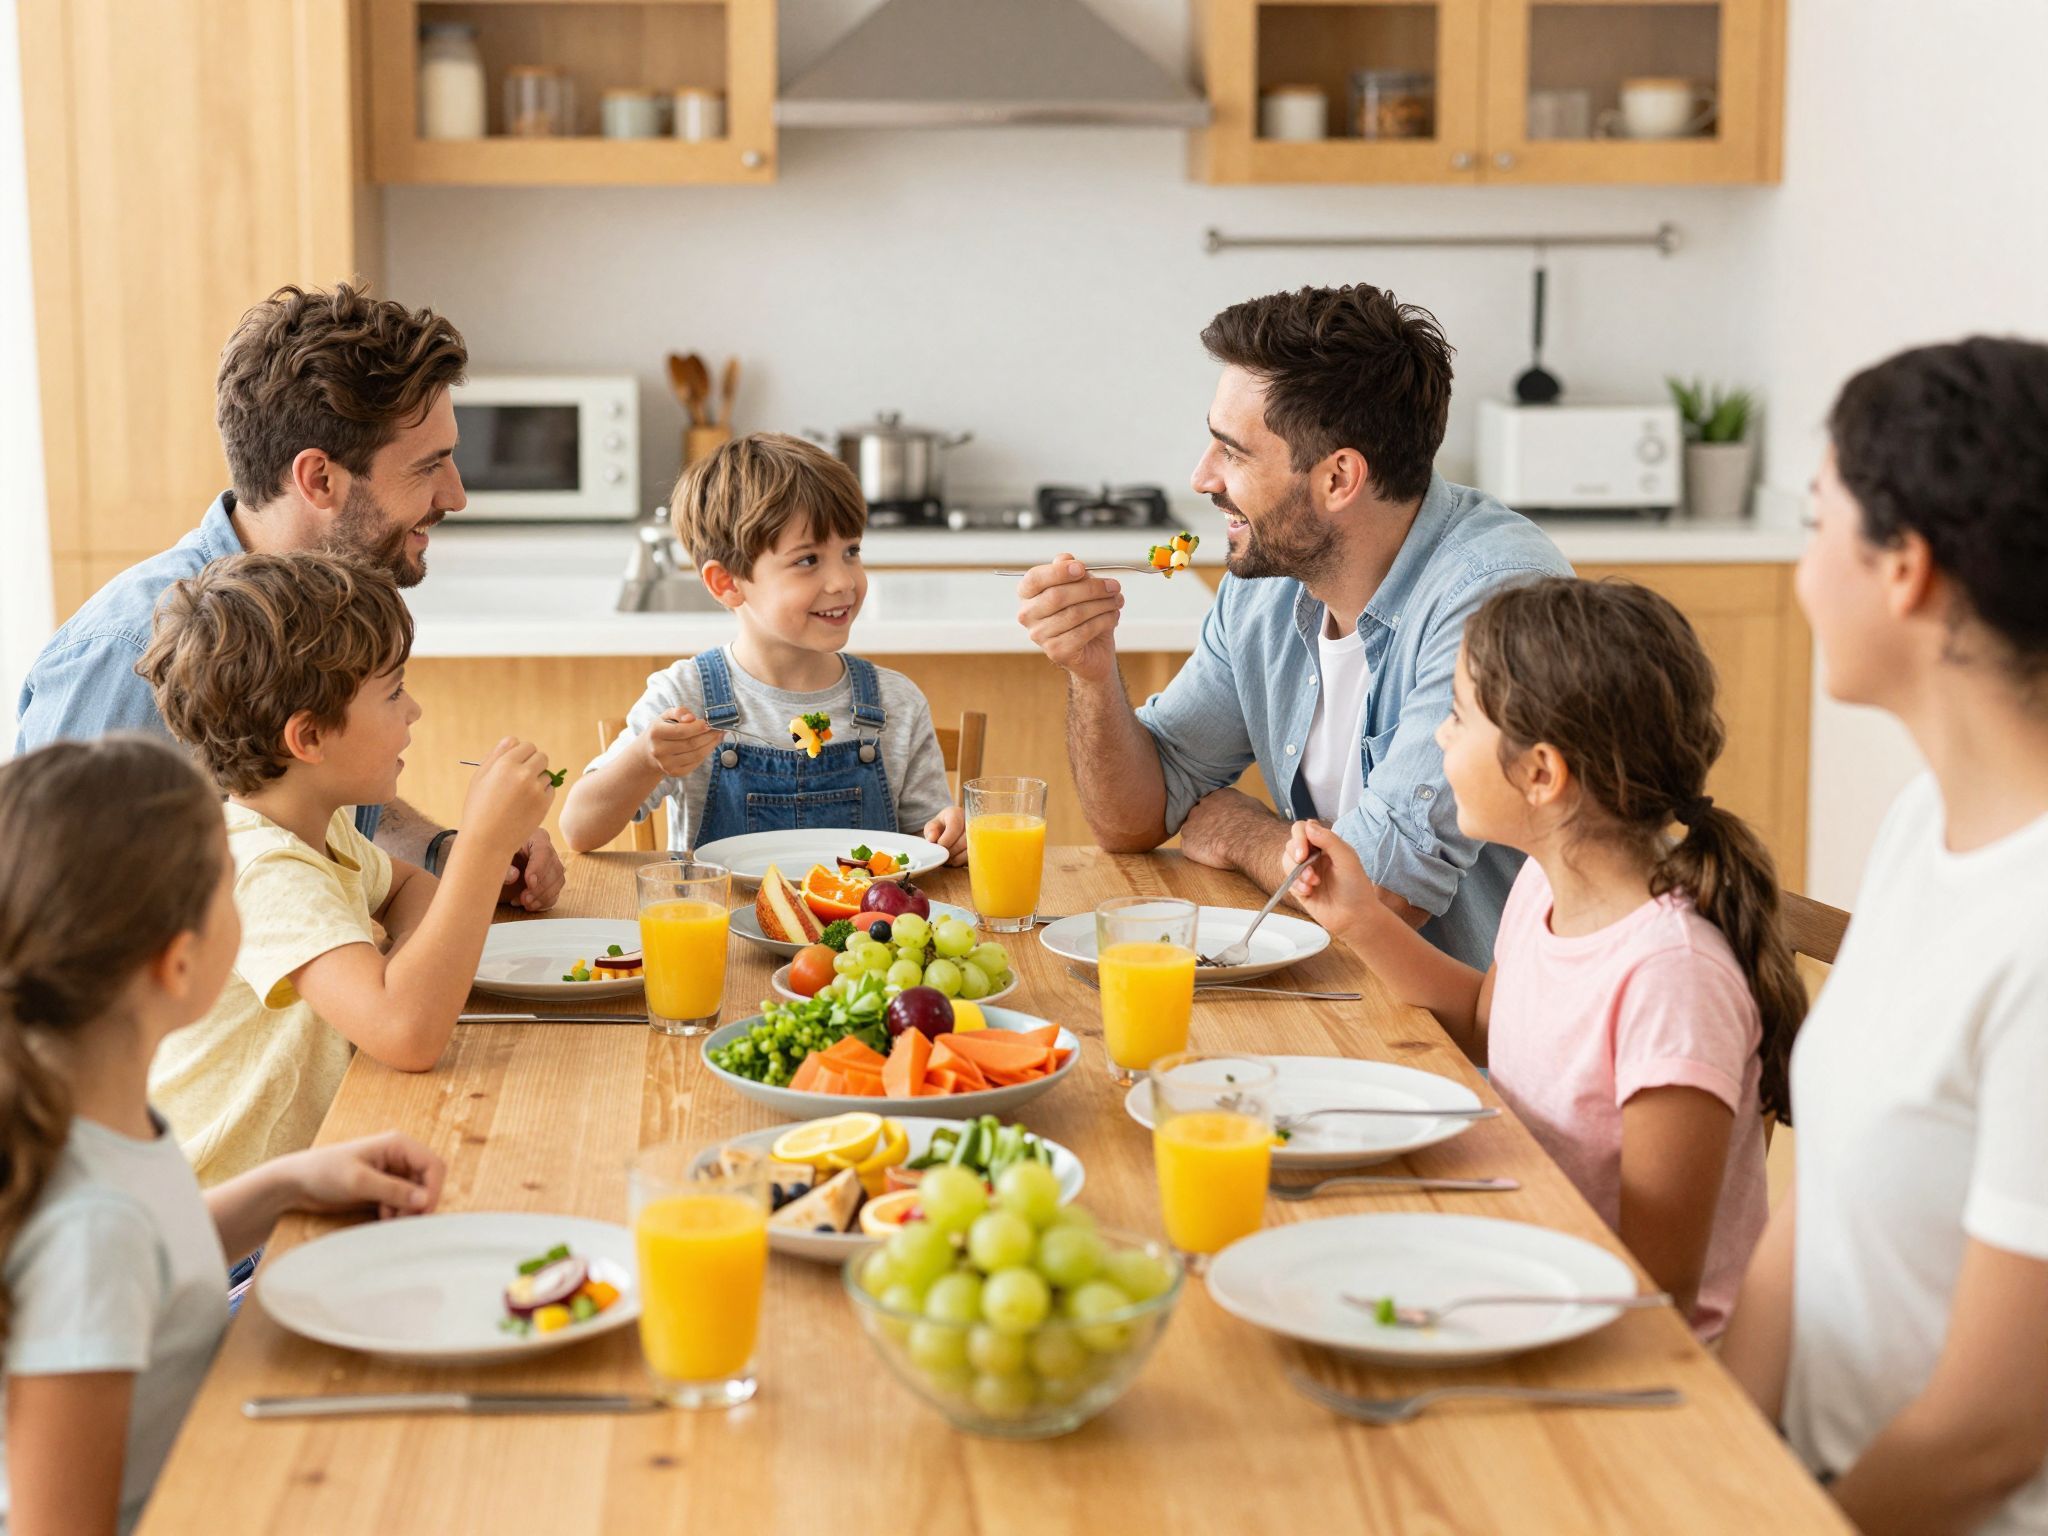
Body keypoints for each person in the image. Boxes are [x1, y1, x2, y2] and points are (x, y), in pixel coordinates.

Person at [1719, 338, 2048, 1535]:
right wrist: (1709, 1473)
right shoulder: (1923, 823)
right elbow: (1817, 1209)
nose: (1800, 572)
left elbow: (1992, 1431)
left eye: (1816, 525)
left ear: (1904, 569)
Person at [1284, 577, 1801, 1337]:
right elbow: (1488, 1020)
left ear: (1540, 773)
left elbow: (1656, 1286)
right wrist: (1358, 917)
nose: (1440, 738)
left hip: (1624, 1343)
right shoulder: (1543, 884)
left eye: (1459, 716)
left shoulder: (1673, 979)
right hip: (1527, 1260)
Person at [1015, 285, 1570, 968]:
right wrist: (1094, 674)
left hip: (1474, 1020)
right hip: (1337, 984)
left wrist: (1245, 832)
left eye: (1233, 453)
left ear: (1339, 478)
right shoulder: (1273, 580)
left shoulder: (1494, 599)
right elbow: (1134, 817)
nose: (1201, 477)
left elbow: (1382, 893)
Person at [0, 735, 445, 1536]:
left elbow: (152, 1270)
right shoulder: (90, 1231)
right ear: (178, 965)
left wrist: (287, 1186)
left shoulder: (103, 1121)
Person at [12, 282, 563, 913]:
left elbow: (308, 805)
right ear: (319, 478)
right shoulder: (132, 651)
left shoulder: (326, 610)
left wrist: (443, 852)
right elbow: (59, 924)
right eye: (427, 466)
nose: (456, 496)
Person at [135, 552, 553, 1186]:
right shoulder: (261, 869)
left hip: (317, 1166)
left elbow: (412, 887)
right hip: (226, 1224)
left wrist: (398, 972)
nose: (413, 711)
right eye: (394, 692)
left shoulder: (319, 830)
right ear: (309, 738)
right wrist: (483, 846)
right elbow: (409, 1035)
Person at [561, 433, 966, 860]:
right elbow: (578, 829)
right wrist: (645, 760)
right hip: (719, 908)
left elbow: (926, 844)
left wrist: (949, 837)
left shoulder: (896, 703)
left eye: (851, 551)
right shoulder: (684, 696)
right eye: (807, 560)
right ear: (727, 582)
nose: (843, 581)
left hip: (863, 908)